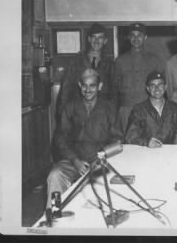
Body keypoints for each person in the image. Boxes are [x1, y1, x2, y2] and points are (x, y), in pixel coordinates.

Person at [47, 69, 123, 209]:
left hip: (101, 162)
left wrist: (102, 158)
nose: (88, 90)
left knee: (109, 189)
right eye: (84, 85)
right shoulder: (70, 107)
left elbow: (117, 140)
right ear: (79, 85)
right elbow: (60, 138)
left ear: (99, 86)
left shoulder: (109, 108)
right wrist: (75, 161)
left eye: (92, 85)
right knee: (54, 175)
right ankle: (55, 214)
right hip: (74, 161)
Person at [57, 23, 114, 117]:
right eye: (94, 37)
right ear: (89, 39)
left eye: (100, 37)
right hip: (78, 113)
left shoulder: (110, 64)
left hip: (101, 114)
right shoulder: (76, 61)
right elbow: (65, 90)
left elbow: (113, 92)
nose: (96, 41)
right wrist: (62, 114)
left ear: (105, 40)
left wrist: (111, 114)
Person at [125, 70, 177, 148]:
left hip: (168, 154)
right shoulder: (139, 110)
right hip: (146, 153)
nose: (157, 89)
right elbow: (130, 136)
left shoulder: (174, 109)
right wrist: (147, 142)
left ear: (165, 87)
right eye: (153, 86)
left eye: (160, 85)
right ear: (148, 88)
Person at [114, 23, 163, 132]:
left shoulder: (154, 60)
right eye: (133, 35)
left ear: (145, 37)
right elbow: (114, 89)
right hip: (126, 109)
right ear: (128, 37)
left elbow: (161, 88)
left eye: (139, 35)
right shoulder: (120, 61)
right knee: (127, 143)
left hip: (148, 109)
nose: (136, 38)